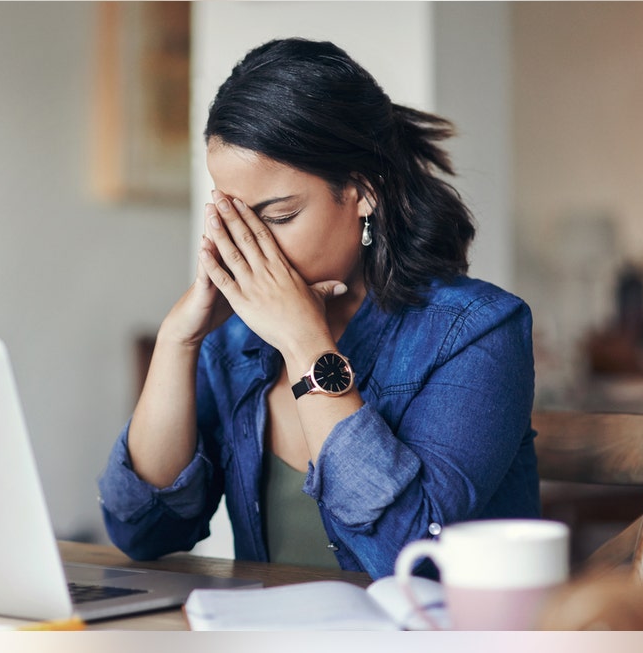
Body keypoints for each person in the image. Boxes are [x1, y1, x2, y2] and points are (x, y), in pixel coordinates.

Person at [96, 38, 540, 579]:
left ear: (363, 190)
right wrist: (178, 342)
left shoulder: (476, 332)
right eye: (236, 217)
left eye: (279, 215)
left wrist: (306, 344)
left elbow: (407, 560)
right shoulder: (235, 342)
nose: (254, 245)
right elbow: (142, 532)